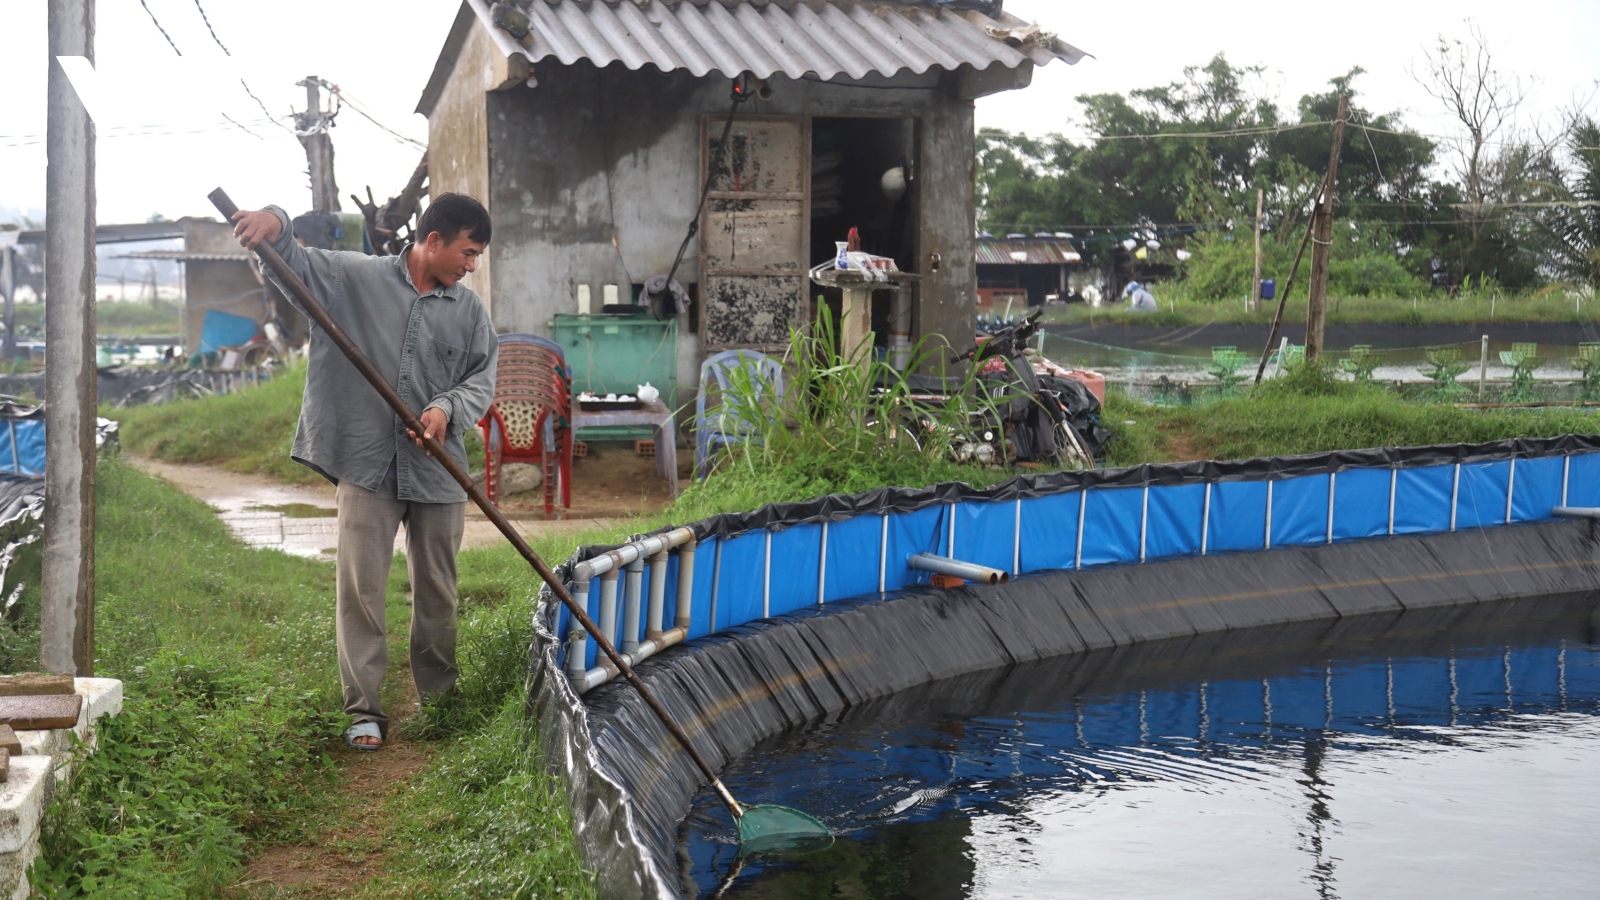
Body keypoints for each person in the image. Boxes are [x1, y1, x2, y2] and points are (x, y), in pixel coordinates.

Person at [231, 194, 498, 751]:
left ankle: (440, 703)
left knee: (439, 591)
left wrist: (445, 409)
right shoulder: (352, 276)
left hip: (438, 470)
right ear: (433, 241)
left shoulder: (469, 312)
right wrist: (275, 220)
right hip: (364, 461)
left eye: (476, 257)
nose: (471, 265)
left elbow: (480, 380)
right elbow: (293, 264)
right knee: (361, 590)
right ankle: (365, 711)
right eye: (468, 252)